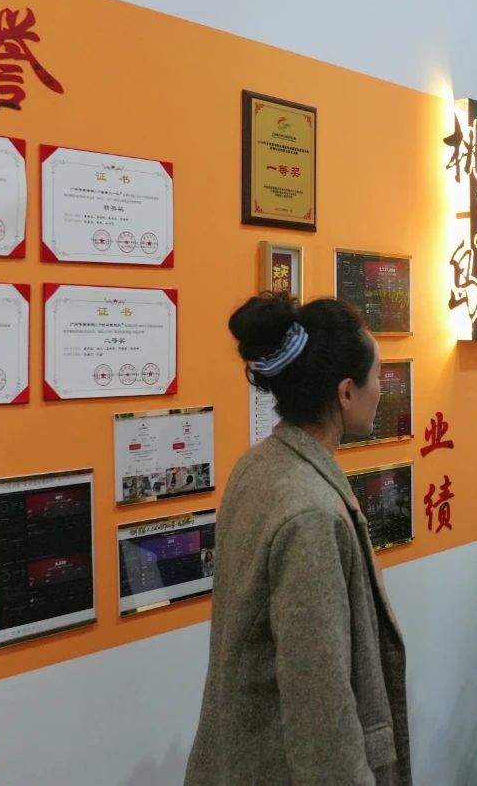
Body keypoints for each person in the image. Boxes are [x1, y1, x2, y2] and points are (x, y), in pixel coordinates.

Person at [185, 293, 411, 785]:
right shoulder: (311, 514)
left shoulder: (258, 465)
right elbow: (320, 709)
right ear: (346, 392)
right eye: (377, 376)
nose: (381, 388)